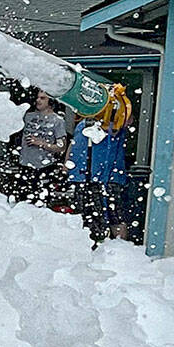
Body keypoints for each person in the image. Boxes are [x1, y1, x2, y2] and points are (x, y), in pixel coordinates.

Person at [67, 85, 133, 244]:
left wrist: (115, 101)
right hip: (82, 176)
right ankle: (91, 246)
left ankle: (119, 249)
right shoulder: (83, 123)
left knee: (114, 215)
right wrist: (67, 163)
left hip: (108, 176)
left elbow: (127, 120)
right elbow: (74, 143)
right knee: (85, 215)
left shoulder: (114, 120)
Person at [18, 89, 69, 205]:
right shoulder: (28, 116)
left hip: (44, 167)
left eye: (42, 98)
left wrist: (41, 143)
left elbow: (62, 146)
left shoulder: (57, 121)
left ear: (50, 101)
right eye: (37, 97)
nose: (38, 101)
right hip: (25, 164)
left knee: (40, 202)